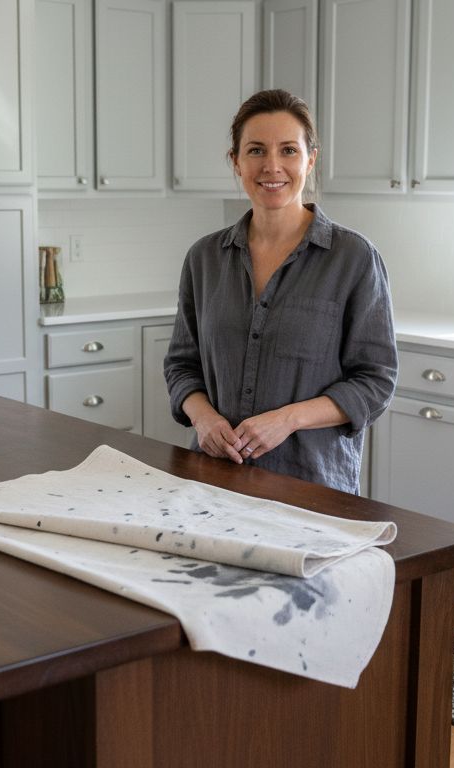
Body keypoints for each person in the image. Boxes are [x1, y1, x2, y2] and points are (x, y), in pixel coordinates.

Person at [163, 89, 398, 494]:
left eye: (288, 150)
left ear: (310, 159)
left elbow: (375, 381)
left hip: (312, 487)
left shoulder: (354, 259)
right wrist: (204, 419)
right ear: (236, 161)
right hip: (214, 479)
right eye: (256, 150)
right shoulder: (204, 259)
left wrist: (288, 419)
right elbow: (182, 366)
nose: (272, 166)